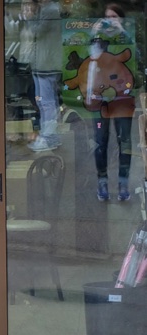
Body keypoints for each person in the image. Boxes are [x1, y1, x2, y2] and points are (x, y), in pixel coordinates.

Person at [91, 3, 135, 201]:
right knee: (100, 142)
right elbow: (88, 61)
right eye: (107, 18)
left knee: (124, 141)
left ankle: (123, 183)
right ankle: (102, 182)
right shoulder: (98, 40)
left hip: (123, 99)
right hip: (101, 99)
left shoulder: (127, 36)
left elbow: (137, 59)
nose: (110, 21)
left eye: (114, 17)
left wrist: (122, 31)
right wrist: (94, 34)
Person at [20, 0, 63, 153]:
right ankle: (49, 136)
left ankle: (50, 138)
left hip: (47, 65)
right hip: (43, 64)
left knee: (47, 102)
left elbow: (36, 32)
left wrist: (29, 17)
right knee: (45, 102)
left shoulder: (50, 10)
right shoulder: (47, 9)